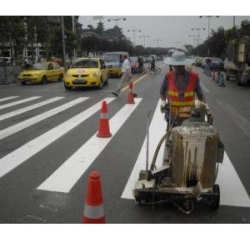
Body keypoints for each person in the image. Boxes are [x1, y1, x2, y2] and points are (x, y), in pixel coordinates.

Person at [160, 51, 208, 127]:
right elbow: (162, 92)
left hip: (189, 117)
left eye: (180, 65)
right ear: (173, 65)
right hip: (172, 116)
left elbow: (200, 95)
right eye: (175, 65)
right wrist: (163, 101)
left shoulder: (193, 77)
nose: (178, 68)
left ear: (184, 64)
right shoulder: (168, 76)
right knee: (171, 137)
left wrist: (205, 106)